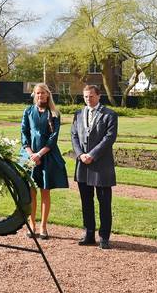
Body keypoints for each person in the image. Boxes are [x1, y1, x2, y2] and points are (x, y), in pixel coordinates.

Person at [71, 84, 118, 249]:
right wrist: (80, 154)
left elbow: (109, 138)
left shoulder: (110, 114)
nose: (88, 99)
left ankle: (104, 237)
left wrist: (92, 155)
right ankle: (89, 233)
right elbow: (74, 135)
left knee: (104, 203)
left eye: (91, 96)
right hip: (82, 164)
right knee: (86, 201)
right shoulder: (78, 114)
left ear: (98, 96)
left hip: (101, 166)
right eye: (85, 96)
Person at [21, 83, 68, 239]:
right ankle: (32, 223)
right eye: (37, 93)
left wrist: (39, 155)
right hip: (29, 156)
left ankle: (43, 226)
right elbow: (24, 133)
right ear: (34, 95)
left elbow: (53, 138)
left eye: (42, 93)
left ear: (48, 94)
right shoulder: (28, 111)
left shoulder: (54, 114)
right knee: (31, 192)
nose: (40, 96)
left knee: (45, 192)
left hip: (47, 156)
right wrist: (30, 154)